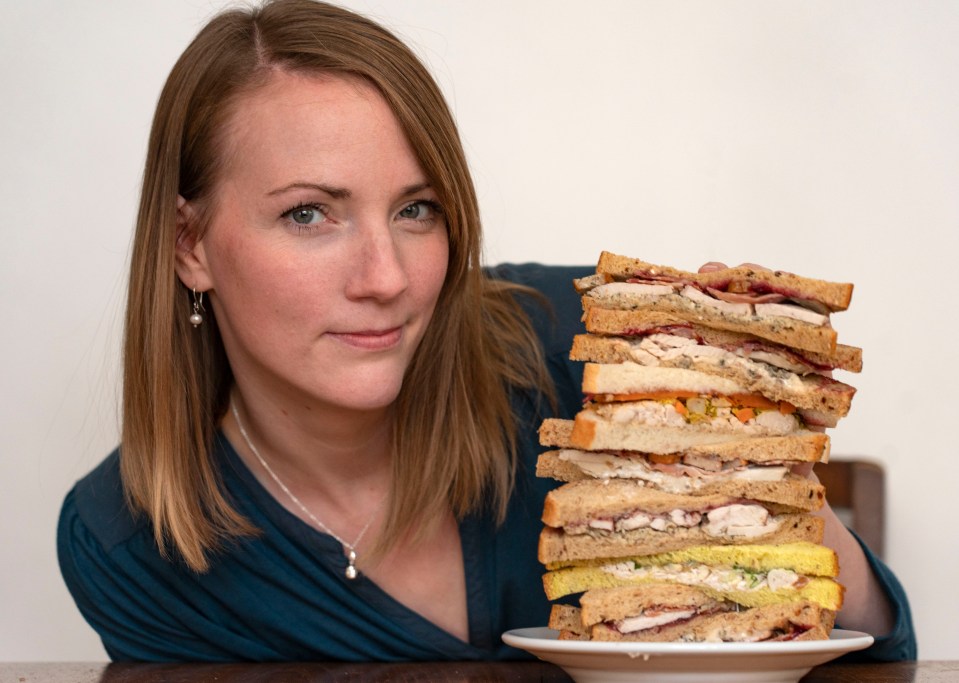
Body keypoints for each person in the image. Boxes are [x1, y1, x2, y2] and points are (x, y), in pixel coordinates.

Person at [57, 0, 915, 662]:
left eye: (416, 210)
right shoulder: (128, 543)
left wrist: (760, 484)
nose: (385, 276)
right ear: (190, 244)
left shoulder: (582, 352)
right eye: (310, 213)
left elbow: (878, 654)